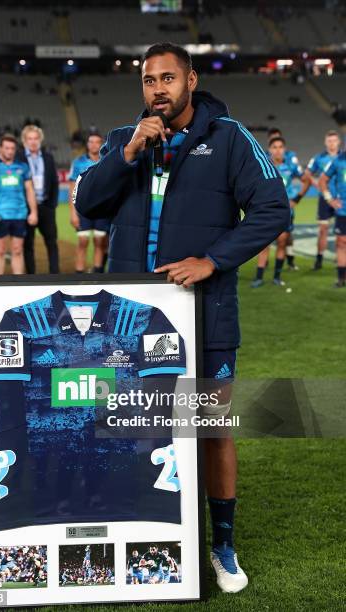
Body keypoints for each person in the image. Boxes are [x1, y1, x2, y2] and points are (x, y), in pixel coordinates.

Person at [76, 42, 289, 593]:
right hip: (124, 324)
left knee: (211, 430)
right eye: (149, 81)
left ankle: (221, 545)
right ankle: (132, 540)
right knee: (125, 429)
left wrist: (212, 260)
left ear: (191, 80)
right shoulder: (127, 140)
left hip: (204, 314)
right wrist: (124, 157)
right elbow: (87, 207)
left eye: (168, 78)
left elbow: (273, 208)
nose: (158, 89)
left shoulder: (230, 138)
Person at [252, 136, 309, 287]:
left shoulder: (290, 167)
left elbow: (307, 180)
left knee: (282, 242)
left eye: (280, 147)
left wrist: (296, 199)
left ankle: (276, 277)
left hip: (285, 212)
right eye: (274, 147)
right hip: (267, 211)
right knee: (265, 244)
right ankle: (259, 277)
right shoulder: (263, 166)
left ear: (284, 150)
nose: (277, 150)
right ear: (270, 150)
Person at [0, 134, 37, 275]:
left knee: (18, 250)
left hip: (20, 214)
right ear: (0, 148)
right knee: (0, 250)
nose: (10, 151)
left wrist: (33, 212)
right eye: (7, 148)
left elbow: (30, 190)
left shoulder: (23, 167)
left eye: (12, 148)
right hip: (0, 215)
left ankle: (18, 285)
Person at [17, 125, 60, 274]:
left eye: (36, 138)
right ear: (24, 141)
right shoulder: (18, 158)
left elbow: (54, 182)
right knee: (28, 244)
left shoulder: (48, 157)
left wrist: (52, 205)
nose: (33, 142)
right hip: (27, 209)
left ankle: (55, 275)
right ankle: (31, 277)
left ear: (40, 140)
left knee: (51, 242)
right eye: (30, 139)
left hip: (46, 206)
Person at [69, 133, 109, 273]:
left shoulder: (106, 160)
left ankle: (97, 274)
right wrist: (73, 213)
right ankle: (79, 275)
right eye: (90, 142)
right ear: (87, 144)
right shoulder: (78, 162)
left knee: (100, 242)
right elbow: (72, 188)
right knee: (82, 242)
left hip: (102, 210)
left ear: (101, 144)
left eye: (96, 142)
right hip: (83, 209)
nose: (93, 145)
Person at [305, 130, 341, 270]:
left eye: (334, 141)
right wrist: (317, 184)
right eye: (329, 141)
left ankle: (340, 258)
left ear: (339, 142)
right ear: (326, 142)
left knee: (342, 232)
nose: (332, 143)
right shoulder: (319, 158)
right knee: (323, 229)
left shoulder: (343, 158)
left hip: (341, 199)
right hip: (325, 199)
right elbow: (307, 173)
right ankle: (319, 258)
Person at [318, 151, 346, 287]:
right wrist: (330, 199)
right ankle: (341, 278)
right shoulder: (338, 161)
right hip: (343, 210)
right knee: (341, 243)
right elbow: (322, 180)